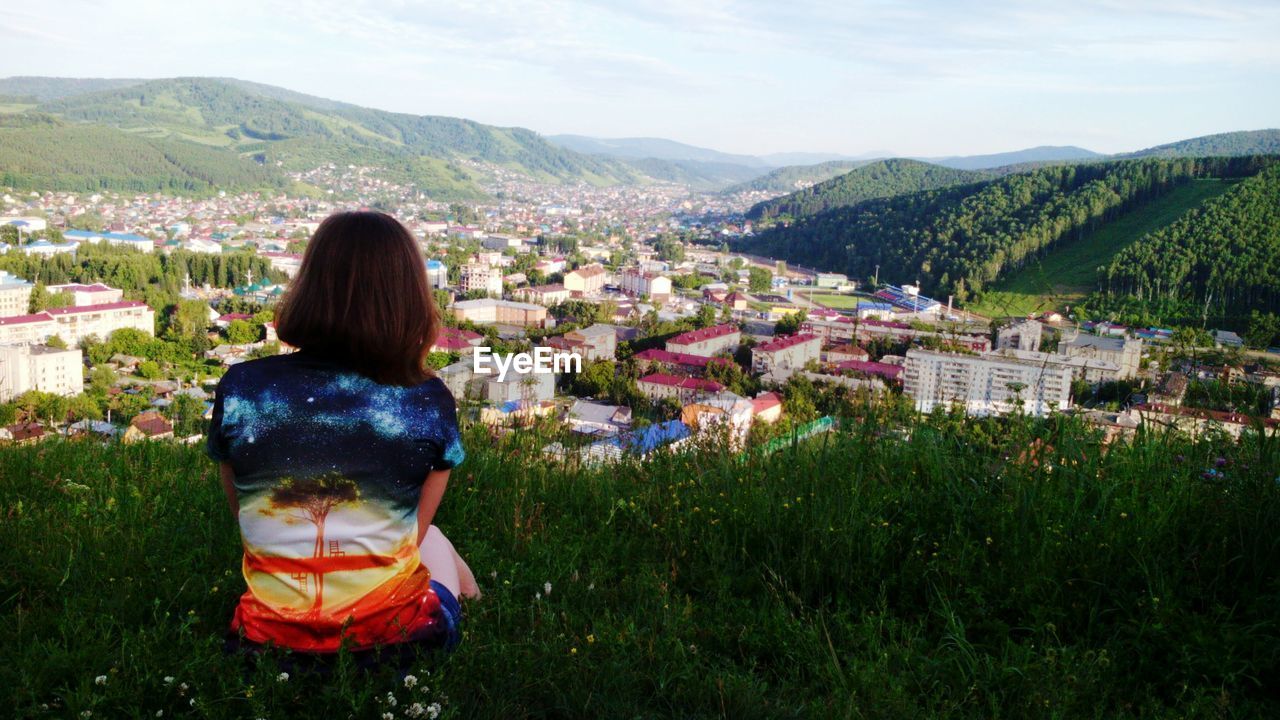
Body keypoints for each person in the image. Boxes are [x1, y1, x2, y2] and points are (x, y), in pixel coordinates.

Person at [207, 211, 478, 663]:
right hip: (399, 644)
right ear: (408, 298)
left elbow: (245, 515)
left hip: (262, 647)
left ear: (309, 287)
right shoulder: (426, 399)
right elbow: (413, 536)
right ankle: (469, 605)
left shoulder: (243, 389)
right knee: (434, 541)